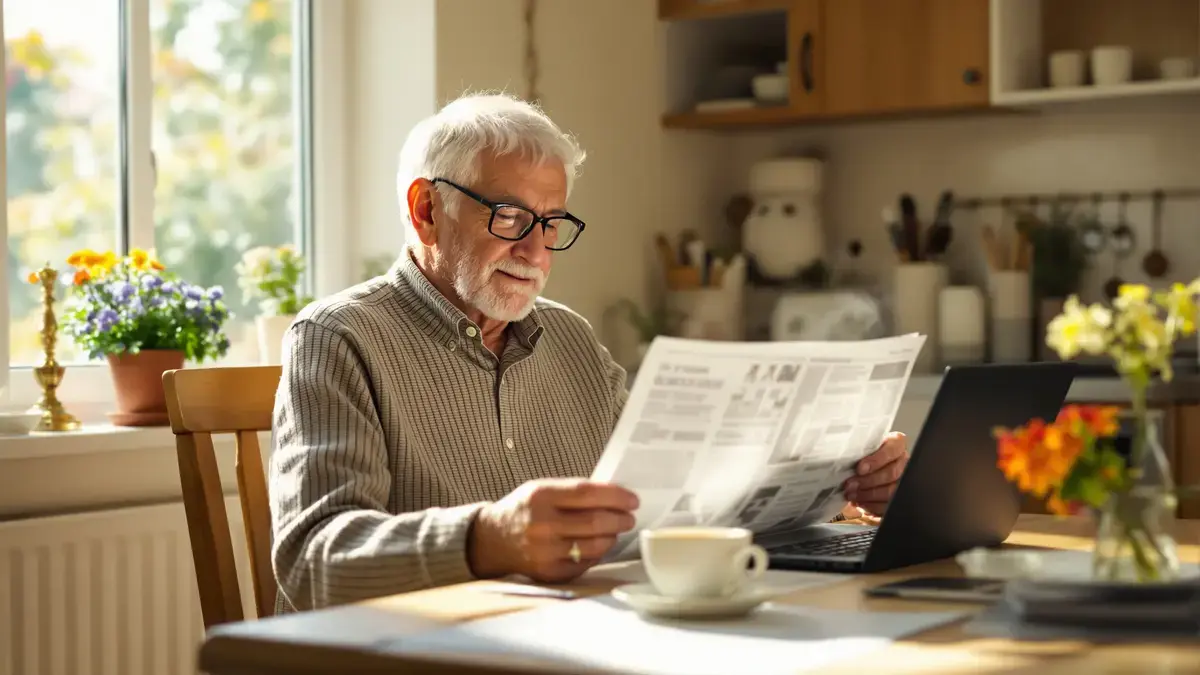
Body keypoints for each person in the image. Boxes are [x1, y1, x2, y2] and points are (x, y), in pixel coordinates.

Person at [268, 92, 910, 614]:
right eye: (511, 218)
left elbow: (674, 504)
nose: (537, 252)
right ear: (426, 209)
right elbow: (313, 562)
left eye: (551, 224)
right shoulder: (338, 338)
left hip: (577, 642)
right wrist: (486, 537)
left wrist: (837, 489)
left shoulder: (570, 339)